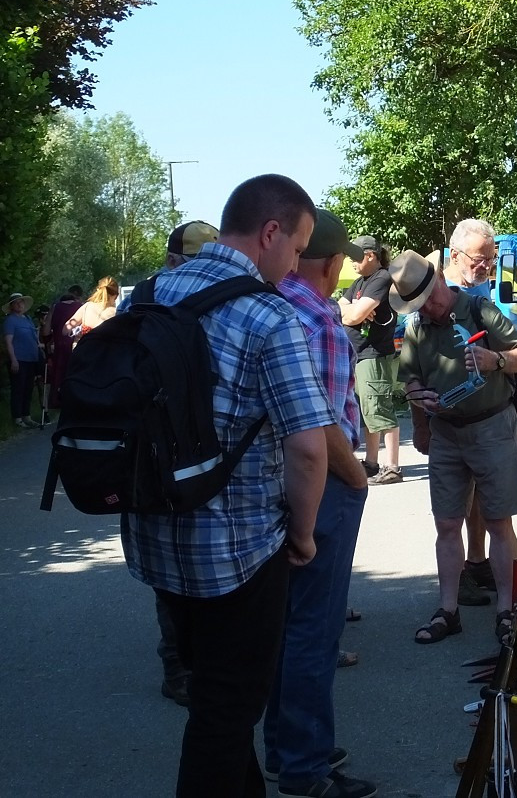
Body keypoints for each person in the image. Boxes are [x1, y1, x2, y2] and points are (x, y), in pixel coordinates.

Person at [119, 174, 335, 797]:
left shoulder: (151, 292)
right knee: (225, 713)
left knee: (215, 698)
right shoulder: (271, 314)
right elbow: (307, 446)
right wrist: (301, 535)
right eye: (296, 249)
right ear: (271, 233)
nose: (295, 264)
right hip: (237, 550)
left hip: (157, 533)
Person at [262, 208, 375, 798]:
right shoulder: (319, 318)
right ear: (332, 264)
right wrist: (357, 478)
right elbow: (323, 421)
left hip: (271, 485)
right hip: (324, 483)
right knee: (316, 627)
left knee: (287, 623)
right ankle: (305, 765)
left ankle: (286, 747)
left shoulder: (269, 303)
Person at [391, 249, 517, 644]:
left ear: (442, 280)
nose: (431, 308)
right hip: (446, 433)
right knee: (446, 523)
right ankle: (448, 611)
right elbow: (410, 380)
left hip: (492, 428)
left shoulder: (479, 309)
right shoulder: (417, 326)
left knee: (498, 521)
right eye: (420, 305)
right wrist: (419, 410)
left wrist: (497, 360)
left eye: (433, 298)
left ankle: (506, 611)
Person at [125, 219, 220, 708]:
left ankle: (178, 665)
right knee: (206, 552)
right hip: (195, 445)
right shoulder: (226, 299)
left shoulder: (139, 295)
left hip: (144, 446)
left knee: (163, 555)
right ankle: (191, 663)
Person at [440, 220, 501, 607]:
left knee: (481, 491)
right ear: (456, 255)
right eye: (479, 261)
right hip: (452, 410)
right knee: (457, 498)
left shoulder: (477, 285)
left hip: (486, 408)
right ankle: (459, 572)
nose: (485, 268)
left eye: (489, 261)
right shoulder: (438, 293)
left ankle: (477, 561)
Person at [339, 235, 402, 485]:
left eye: (355, 256)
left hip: (373, 355)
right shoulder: (360, 282)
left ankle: (393, 467)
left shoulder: (381, 278)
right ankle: (373, 464)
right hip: (360, 355)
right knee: (368, 413)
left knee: (380, 409)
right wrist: (350, 311)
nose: (351, 261)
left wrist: (352, 312)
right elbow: (338, 308)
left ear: (370, 255)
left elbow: (353, 317)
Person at [4, 292, 42, 428]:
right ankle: (17, 418)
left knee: (28, 388)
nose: (19, 304)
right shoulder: (10, 320)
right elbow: (8, 341)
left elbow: (34, 337)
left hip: (31, 359)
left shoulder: (27, 319)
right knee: (18, 388)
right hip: (18, 359)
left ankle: (27, 416)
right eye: (16, 303)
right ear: (12, 306)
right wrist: (13, 359)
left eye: (21, 302)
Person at [44, 285, 82, 410]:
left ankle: (58, 400)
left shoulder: (55, 308)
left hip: (60, 347)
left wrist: (48, 343)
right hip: (77, 347)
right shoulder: (80, 307)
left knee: (59, 374)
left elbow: (46, 331)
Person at [65, 276, 118, 343]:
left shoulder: (87, 307)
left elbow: (65, 329)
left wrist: (79, 331)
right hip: (107, 351)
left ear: (98, 290)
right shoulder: (116, 313)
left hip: (86, 350)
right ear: (115, 295)